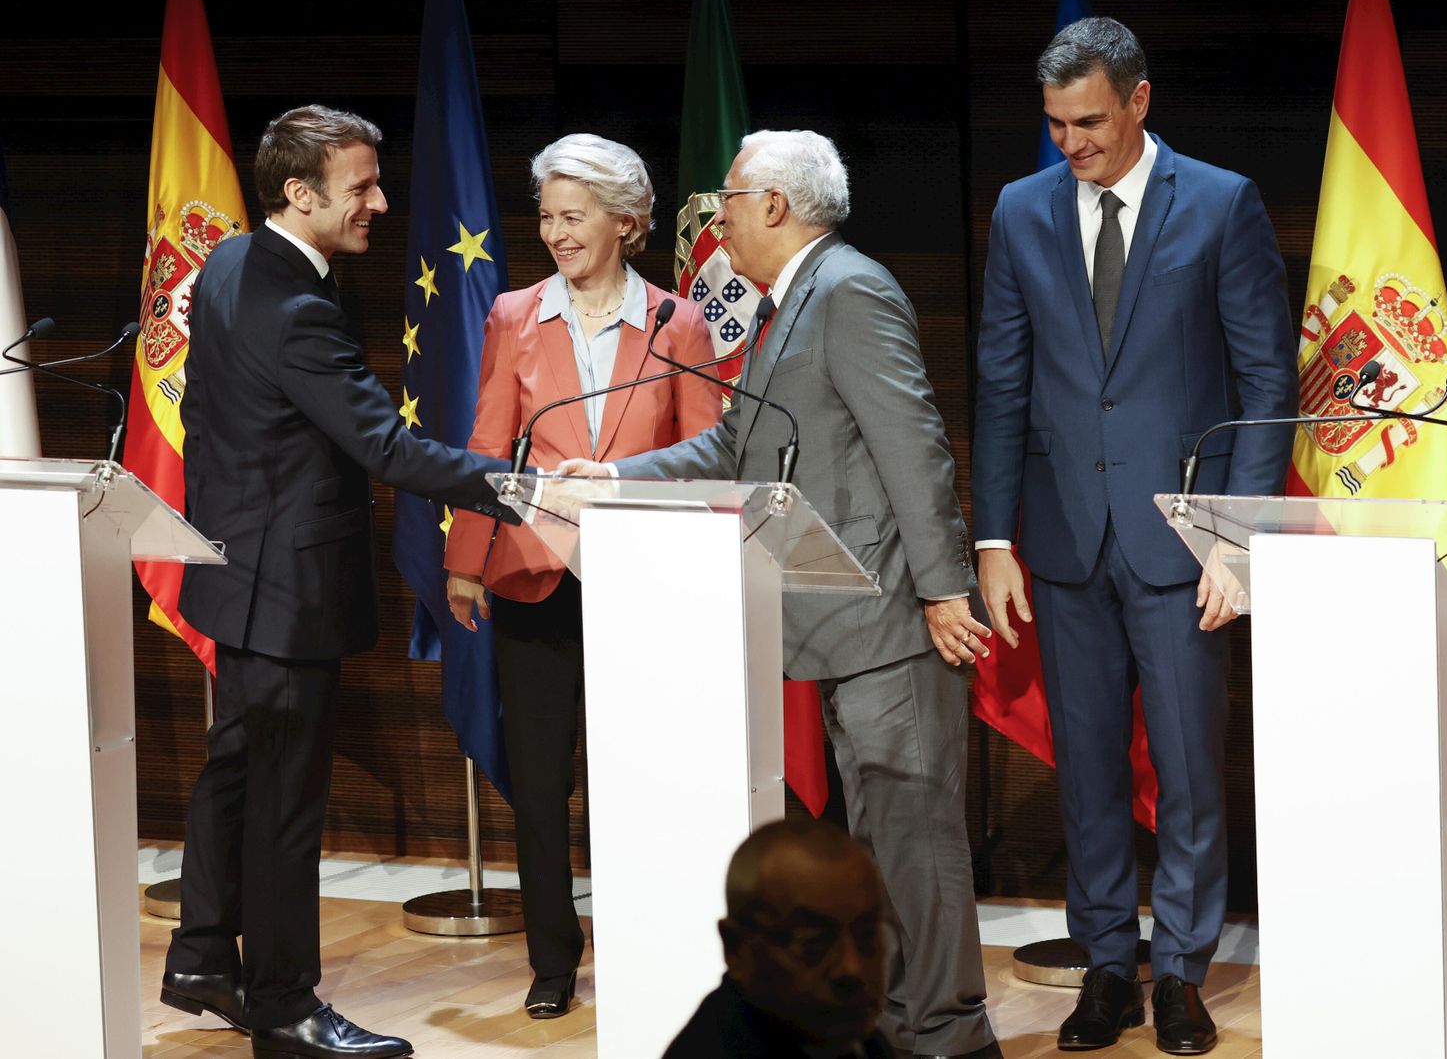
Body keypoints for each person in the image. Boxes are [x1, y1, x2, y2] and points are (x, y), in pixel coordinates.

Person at [560, 129, 1002, 1059]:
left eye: (727, 198)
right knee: (878, 843)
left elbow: (914, 446)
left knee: (915, 843)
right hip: (836, 620)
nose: (714, 217)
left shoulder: (850, 290)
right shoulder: (785, 302)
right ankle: (891, 1026)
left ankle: (953, 1037)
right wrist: (613, 478)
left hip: (889, 619)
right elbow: (732, 449)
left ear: (774, 205)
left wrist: (942, 591)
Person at [162, 105, 517, 1059]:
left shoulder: (235, 260)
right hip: (287, 590)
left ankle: (201, 958)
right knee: (282, 807)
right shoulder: (296, 304)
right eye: (360, 185)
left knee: (235, 773)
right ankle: (283, 1007)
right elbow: (385, 447)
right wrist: (519, 487)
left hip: (238, 572)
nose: (380, 201)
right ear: (299, 191)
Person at [971, 18, 1297, 1055]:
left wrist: (1237, 536)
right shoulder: (1021, 210)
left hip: (1183, 541)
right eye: (1058, 124)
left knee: (1193, 769)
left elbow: (1263, 381)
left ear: (1140, 101)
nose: (1073, 143)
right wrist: (989, 539)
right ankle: (1107, 966)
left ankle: (1183, 972)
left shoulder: (1218, 201)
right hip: (1063, 540)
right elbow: (1001, 381)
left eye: (1091, 121)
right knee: (1089, 771)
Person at [441, 133, 722, 1018]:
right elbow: (486, 447)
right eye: (547, 217)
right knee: (539, 777)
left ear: (626, 222)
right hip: (534, 575)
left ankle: (654, 938)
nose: (556, 233)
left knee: (643, 773)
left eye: (574, 216)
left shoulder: (679, 323)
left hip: (649, 583)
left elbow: (706, 457)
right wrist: (465, 563)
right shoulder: (514, 314)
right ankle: (552, 958)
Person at [664, 818, 896, 1059]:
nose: (852, 968)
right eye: (812, 943)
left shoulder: (856, 1042)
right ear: (735, 948)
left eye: (866, 935)